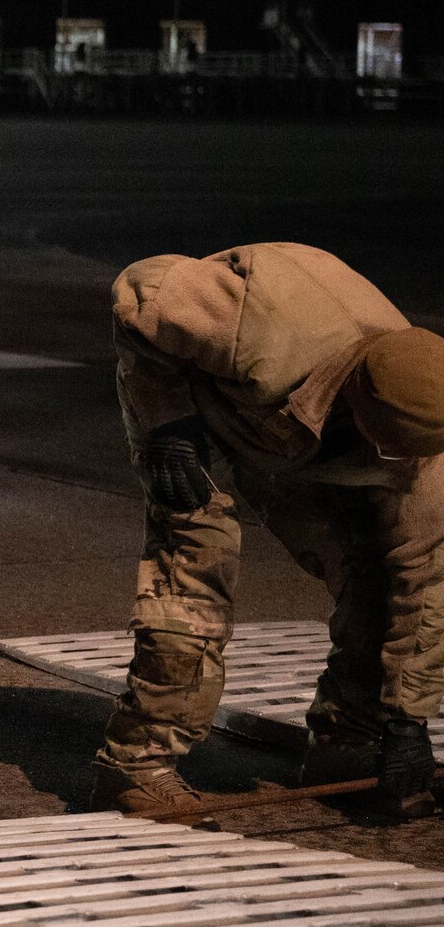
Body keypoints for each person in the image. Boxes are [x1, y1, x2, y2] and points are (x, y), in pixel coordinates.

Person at [92, 243, 444, 819]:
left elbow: (426, 588)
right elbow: (141, 287)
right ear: (360, 410)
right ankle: (136, 765)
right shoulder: (258, 325)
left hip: (292, 436)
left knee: (379, 580)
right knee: (196, 571)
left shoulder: (426, 440)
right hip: (202, 418)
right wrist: (167, 421)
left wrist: (406, 722)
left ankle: (347, 747)